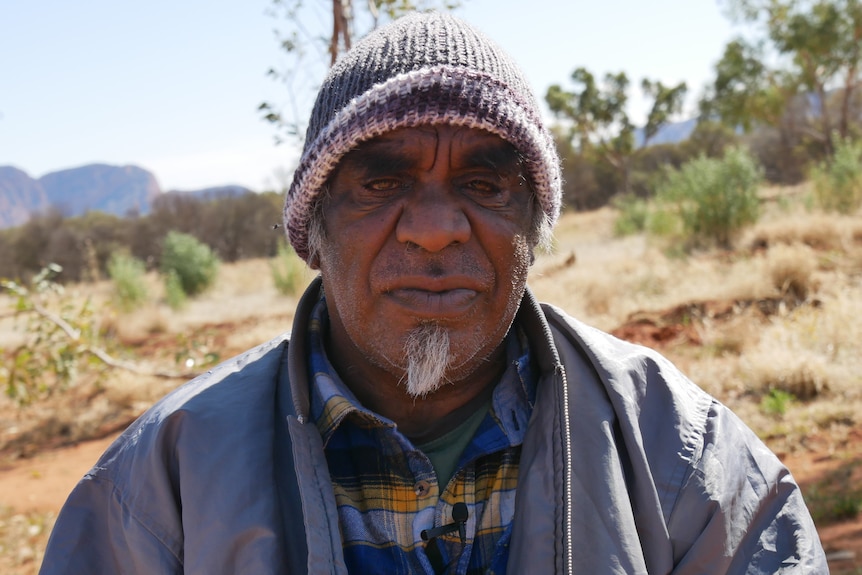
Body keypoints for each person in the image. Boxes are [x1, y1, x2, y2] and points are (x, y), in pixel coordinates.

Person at [41, 12, 827, 575]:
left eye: (484, 182)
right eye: (381, 181)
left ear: (533, 226)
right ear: (312, 230)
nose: (436, 228)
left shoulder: (680, 455)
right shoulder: (162, 484)